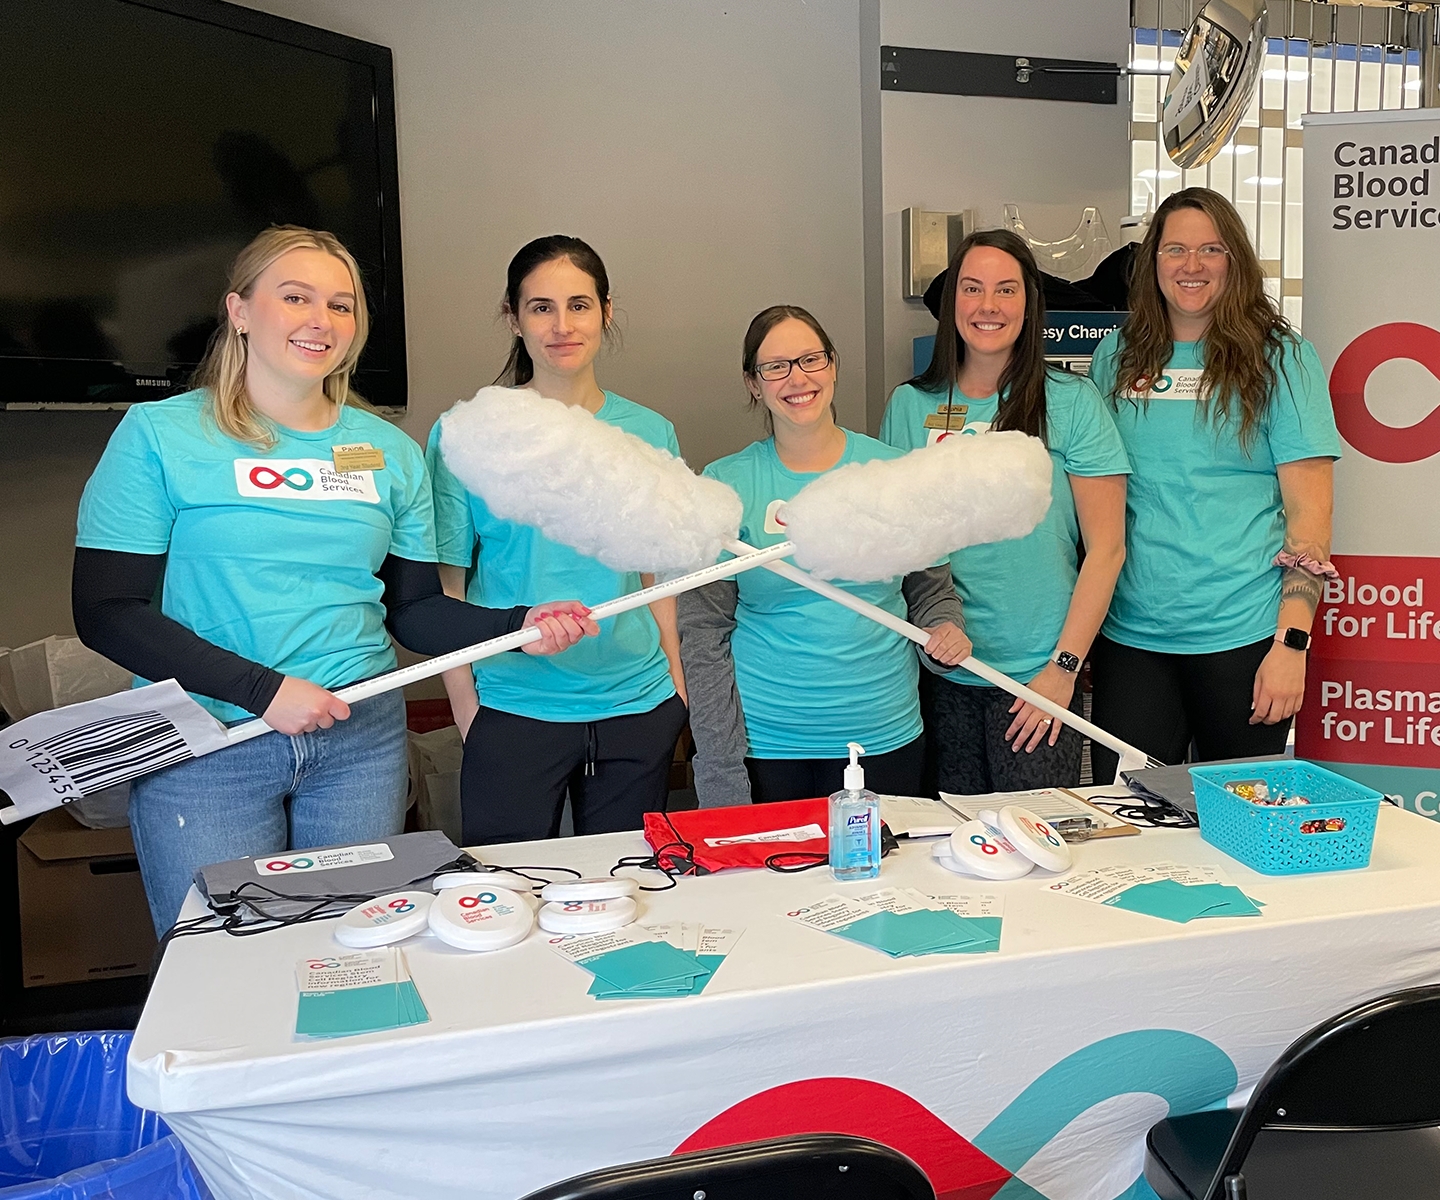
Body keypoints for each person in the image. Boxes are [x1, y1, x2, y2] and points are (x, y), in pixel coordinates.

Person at [72, 226, 594, 933]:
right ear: (240, 311)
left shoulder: (386, 452)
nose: (322, 320)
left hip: (358, 740)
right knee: (224, 969)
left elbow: (413, 611)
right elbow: (107, 609)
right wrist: (266, 692)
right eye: (296, 297)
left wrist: (516, 627)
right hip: (211, 744)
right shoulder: (160, 436)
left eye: (341, 306)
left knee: (348, 960)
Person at [428, 235, 688, 844]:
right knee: (509, 899)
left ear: (606, 312)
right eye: (541, 307)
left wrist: (673, 691)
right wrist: (469, 713)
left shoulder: (650, 432)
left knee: (629, 896)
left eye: (579, 304)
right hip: (513, 708)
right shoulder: (466, 433)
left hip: (636, 706)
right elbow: (446, 587)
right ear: (513, 318)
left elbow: (658, 578)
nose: (562, 325)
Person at [1087, 187, 1341, 781]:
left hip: (1245, 637)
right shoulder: (1117, 356)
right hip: (1132, 638)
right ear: (1153, 263)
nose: (1192, 266)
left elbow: (1310, 524)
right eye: (1175, 249)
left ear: (1236, 262)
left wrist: (1292, 647)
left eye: (1211, 250)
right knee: (1124, 822)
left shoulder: (1283, 359)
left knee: (1238, 823)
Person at [678, 305, 971, 805]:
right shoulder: (726, 485)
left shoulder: (893, 474)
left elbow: (931, 593)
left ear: (833, 366)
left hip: (884, 736)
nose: (798, 378)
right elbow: (703, 635)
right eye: (776, 366)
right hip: (767, 747)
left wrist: (945, 629)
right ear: (754, 383)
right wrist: (719, 767)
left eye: (811, 359)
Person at [882, 230, 1130, 793]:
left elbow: (1108, 549)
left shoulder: (1071, 401)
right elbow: (898, 544)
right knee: (948, 854)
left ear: (1029, 305)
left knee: (1038, 853)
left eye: (1005, 290)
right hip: (939, 672)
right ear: (952, 305)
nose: (987, 306)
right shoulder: (909, 405)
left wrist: (1063, 670)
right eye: (972, 288)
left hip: (1037, 678)